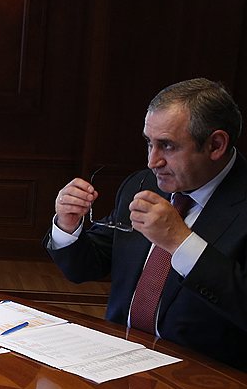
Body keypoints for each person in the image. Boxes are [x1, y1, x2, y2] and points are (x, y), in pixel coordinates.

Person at [46, 78, 247, 371]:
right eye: (149, 143)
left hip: (204, 378)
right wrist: (67, 226)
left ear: (215, 145)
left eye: (167, 146)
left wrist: (181, 242)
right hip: (115, 360)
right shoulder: (142, 184)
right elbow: (84, 267)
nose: (153, 161)